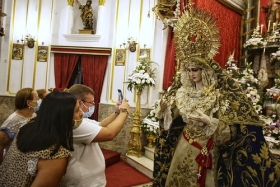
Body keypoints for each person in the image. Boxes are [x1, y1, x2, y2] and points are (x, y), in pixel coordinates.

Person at [152, 5, 280, 187]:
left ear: (204, 71)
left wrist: (209, 121)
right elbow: (171, 124)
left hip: (207, 150)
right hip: (183, 145)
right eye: (188, 70)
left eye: (195, 70)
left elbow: (232, 132)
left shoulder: (219, 95)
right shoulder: (182, 93)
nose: (191, 74)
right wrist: (164, 112)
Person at [0, 91, 82, 186]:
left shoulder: (28, 126)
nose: (81, 114)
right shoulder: (55, 153)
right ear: (63, 115)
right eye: (77, 110)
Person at [65, 84, 130, 187]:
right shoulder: (74, 124)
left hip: (92, 178)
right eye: (91, 103)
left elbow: (101, 125)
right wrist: (124, 111)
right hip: (84, 181)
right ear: (79, 102)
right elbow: (109, 133)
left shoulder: (81, 120)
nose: (92, 106)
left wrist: (117, 112)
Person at [0, 87, 38, 164]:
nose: (39, 101)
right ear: (29, 103)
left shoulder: (34, 115)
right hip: (13, 163)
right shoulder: (13, 120)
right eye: (37, 99)